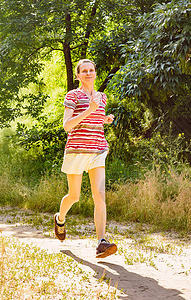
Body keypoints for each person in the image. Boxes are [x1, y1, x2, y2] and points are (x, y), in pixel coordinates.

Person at [54, 59, 117, 258]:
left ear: (95, 73)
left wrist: (103, 119)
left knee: (99, 196)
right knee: (74, 196)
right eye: (84, 71)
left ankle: (101, 242)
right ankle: (60, 218)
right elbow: (67, 125)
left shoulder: (102, 97)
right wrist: (90, 110)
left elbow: (94, 121)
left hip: (98, 150)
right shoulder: (73, 96)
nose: (89, 73)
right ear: (78, 75)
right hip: (76, 151)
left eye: (92, 70)